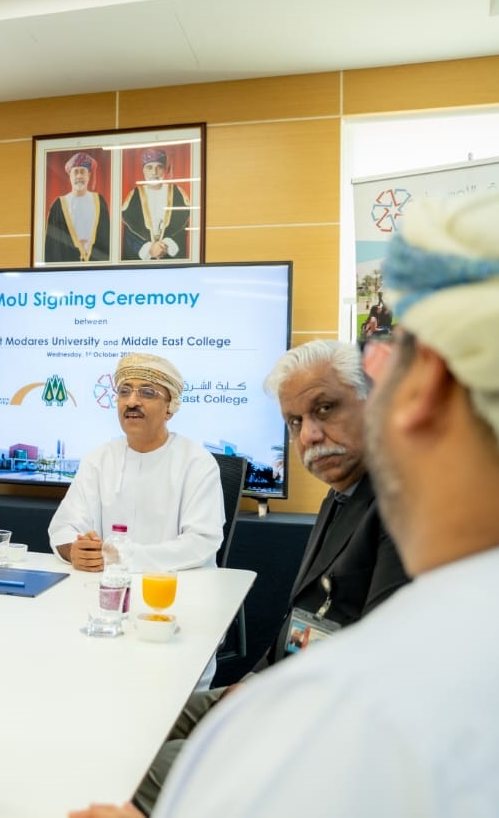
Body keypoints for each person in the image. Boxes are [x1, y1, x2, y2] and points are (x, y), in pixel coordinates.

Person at [75, 183, 499, 817]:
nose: (309, 436)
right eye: (295, 422)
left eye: (387, 364)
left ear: (424, 385)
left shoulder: (382, 694)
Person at [128, 340, 409, 814]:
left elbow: (379, 664)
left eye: (325, 409)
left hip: (323, 724)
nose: (310, 435)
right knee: (136, 730)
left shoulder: (400, 504)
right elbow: (301, 620)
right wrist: (255, 680)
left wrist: (269, 705)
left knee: (151, 767)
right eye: (295, 422)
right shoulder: (343, 493)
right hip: (284, 688)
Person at [48, 353, 223, 573]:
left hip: (176, 584)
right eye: (124, 391)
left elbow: (201, 542)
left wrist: (123, 557)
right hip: (105, 584)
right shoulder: (98, 459)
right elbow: (64, 527)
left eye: (147, 393)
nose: (131, 402)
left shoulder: (197, 462)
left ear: (170, 407)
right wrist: (75, 550)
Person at [121, 148, 190, 261]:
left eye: (159, 167)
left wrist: (165, 246)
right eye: (149, 167)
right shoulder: (134, 196)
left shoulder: (177, 193)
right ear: (143, 170)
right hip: (142, 261)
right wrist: (149, 249)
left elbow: (183, 228)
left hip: (170, 259)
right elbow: (130, 234)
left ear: (165, 170)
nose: (154, 172)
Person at [45, 151, 110, 263]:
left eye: (82, 172)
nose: (79, 176)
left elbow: (106, 236)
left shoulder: (99, 201)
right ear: (70, 175)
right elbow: (53, 244)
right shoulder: (59, 205)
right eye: (75, 172)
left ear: (89, 175)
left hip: (96, 265)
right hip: (67, 265)